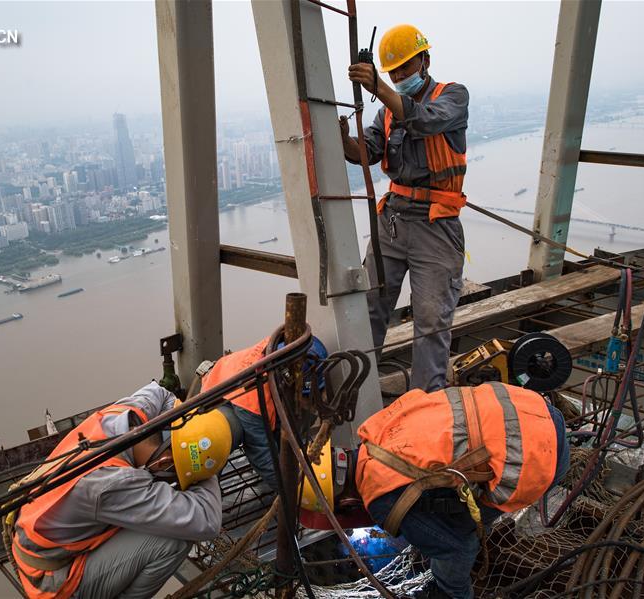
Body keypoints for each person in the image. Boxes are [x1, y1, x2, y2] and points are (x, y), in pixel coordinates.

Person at [302, 383, 570, 599]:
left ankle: (454, 591)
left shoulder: (381, 498)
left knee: (456, 544)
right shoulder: (376, 430)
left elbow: (454, 547)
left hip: (540, 456)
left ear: (347, 503)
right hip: (530, 406)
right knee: (448, 513)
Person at [341, 24, 469, 392]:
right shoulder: (386, 113)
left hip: (436, 226)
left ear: (425, 61)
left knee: (431, 321)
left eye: (404, 68)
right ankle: (357, 393)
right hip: (393, 222)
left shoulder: (453, 96)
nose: (399, 76)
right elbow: (365, 154)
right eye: (393, 71)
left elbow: (426, 121)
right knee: (369, 308)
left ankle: (426, 404)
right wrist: (342, 139)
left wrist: (378, 87)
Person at [7, 382, 223, 599]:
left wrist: (190, 428)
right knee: (174, 541)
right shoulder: (114, 483)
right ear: (164, 460)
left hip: (37, 537)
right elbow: (206, 521)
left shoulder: (128, 414)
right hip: (50, 579)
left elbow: (162, 393)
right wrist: (203, 465)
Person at [199, 336, 328, 491]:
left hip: (262, 389)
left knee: (296, 421)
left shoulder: (283, 347)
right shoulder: (251, 403)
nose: (309, 401)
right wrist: (294, 493)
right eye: (305, 396)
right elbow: (264, 457)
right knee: (229, 433)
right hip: (222, 400)